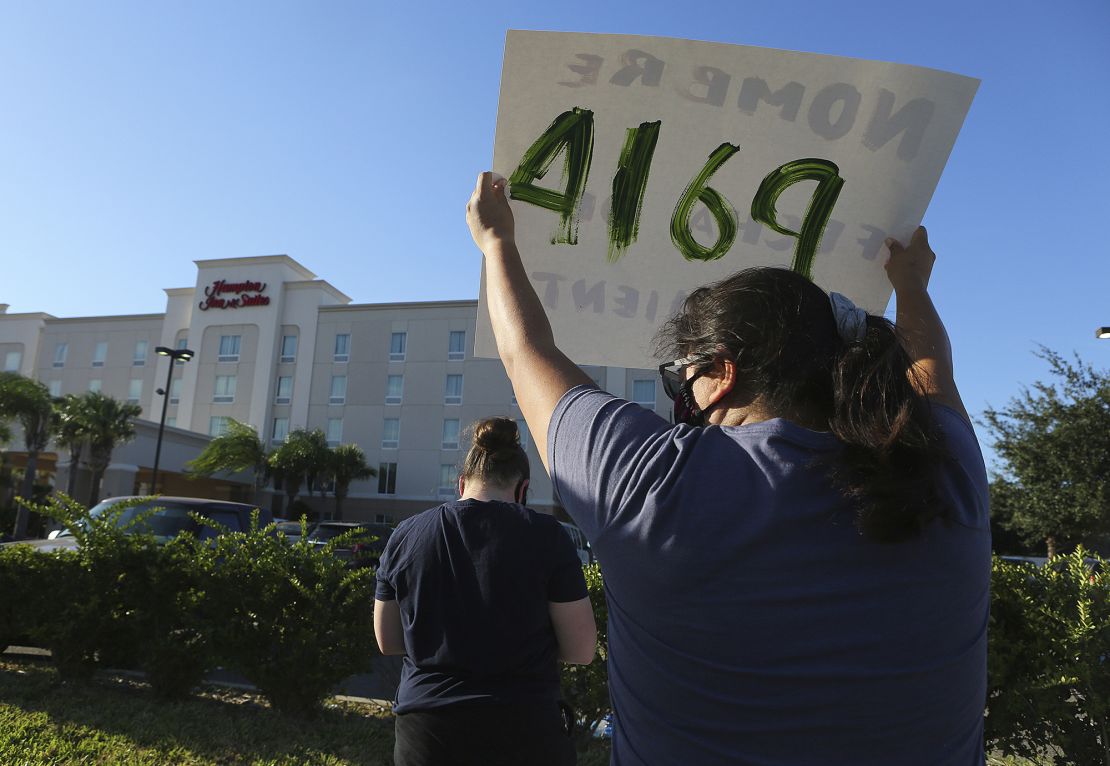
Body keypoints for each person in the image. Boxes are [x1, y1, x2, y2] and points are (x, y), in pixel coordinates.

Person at [466, 172, 989, 766]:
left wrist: (497, 243)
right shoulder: (945, 471)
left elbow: (526, 352)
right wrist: (912, 285)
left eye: (680, 378)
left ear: (722, 372)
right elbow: (931, 374)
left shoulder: (648, 482)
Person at [374, 416, 597, 766]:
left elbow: (388, 640)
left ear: (461, 484)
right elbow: (582, 650)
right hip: (525, 727)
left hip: (428, 731)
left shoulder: (406, 534)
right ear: (523, 490)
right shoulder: (547, 536)